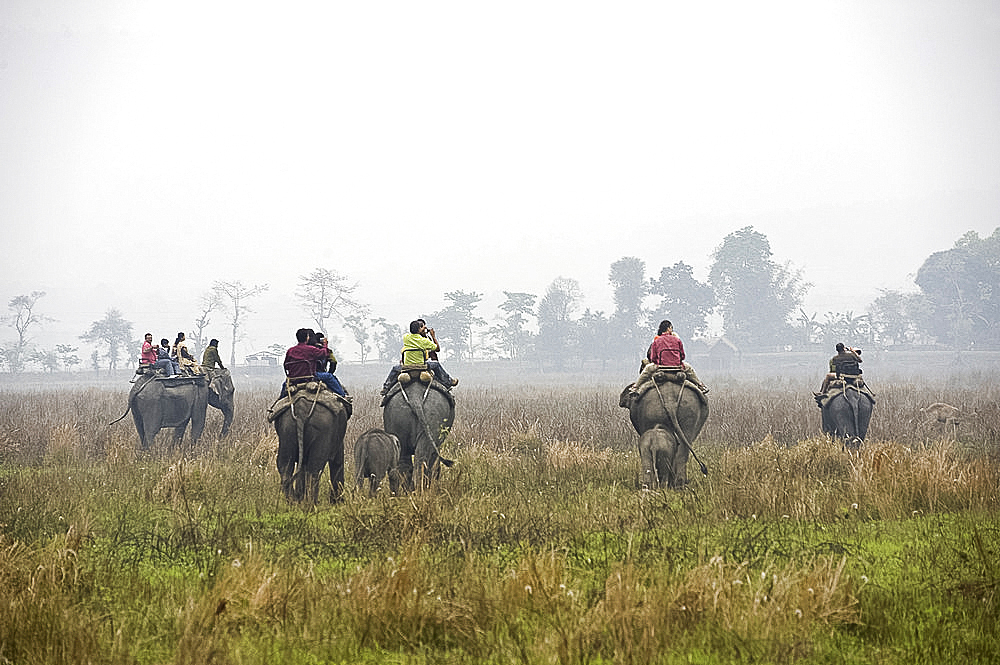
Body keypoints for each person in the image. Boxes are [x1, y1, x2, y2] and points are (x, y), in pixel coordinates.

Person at [630, 320, 709, 395]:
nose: (672, 330)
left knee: (647, 369)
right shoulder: (677, 340)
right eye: (671, 328)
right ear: (668, 328)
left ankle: (635, 387)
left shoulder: (656, 341)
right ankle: (700, 385)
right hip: (677, 367)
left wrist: (659, 362)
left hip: (661, 367)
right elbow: (683, 356)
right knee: (689, 368)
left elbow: (653, 358)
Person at [381, 320, 459, 394]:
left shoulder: (406, 337)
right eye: (422, 327)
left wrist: (420, 329)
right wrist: (433, 336)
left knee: (394, 368)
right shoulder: (424, 341)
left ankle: (386, 387)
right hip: (421, 366)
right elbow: (437, 349)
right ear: (419, 330)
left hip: (407, 367)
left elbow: (412, 334)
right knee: (436, 364)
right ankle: (449, 382)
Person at [279, 328, 348, 398]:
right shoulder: (311, 349)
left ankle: (279, 401)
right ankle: (343, 396)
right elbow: (325, 353)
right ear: (307, 338)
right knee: (329, 376)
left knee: (285, 385)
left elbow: (286, 366)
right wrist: (325, 345)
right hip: (310, 376)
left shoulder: (290, 351)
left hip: (294, 378)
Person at [313, 332, 349, 398]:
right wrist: (330, 372)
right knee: (333, 379)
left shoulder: (310, 350)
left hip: (307, 375)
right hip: (321, 374)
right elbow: (334, 362)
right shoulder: (327, 351)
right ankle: (343, 395)